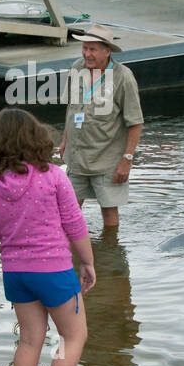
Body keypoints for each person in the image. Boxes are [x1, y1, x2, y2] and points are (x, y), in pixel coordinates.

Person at [0, 108, 95, 366]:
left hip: (16, 274)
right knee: (73, 336)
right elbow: (75, 224)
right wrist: (88, 262)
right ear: (36, 138)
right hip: (53, 271)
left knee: (29, 340)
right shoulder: (53, 176)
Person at [57, 24, 144, 230]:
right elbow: (71, 105)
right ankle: (66, 254)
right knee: (68, 209)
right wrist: (65, 139)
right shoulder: (77, 67)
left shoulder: (123, 77)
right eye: (85, 48)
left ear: (107, 52)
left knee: (109, 210)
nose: (87, 54)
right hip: (77, 155)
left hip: (107, 159)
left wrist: (127, 160)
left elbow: (136, 122)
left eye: (92, 49)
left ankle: (110, 252)